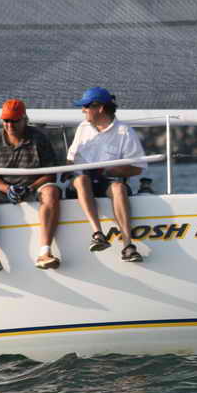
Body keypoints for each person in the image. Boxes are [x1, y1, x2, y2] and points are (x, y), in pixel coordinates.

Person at [0, 99, 62, 274]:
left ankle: (45, 252)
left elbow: (50, 174)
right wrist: (8, 189)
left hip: (34, 187)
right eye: (6, 120)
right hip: (5, 189)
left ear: (25, 119)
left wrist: (31, 188)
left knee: (51, 191)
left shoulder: (39, 138)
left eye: (14, 120)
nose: (9, 125)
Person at [67, 87, 146, 263]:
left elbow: (138, 168)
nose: (83, 110)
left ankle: (128, 245)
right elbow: (70, 159)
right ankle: (98, 233)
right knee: (82, 179)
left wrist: (110, 171)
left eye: (86, 106)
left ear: (100, 108)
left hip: (107, 182)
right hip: (81, 183)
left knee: (118, 188)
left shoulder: (124, 131)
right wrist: (67, 171)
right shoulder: (82, 127)